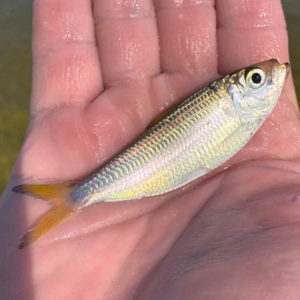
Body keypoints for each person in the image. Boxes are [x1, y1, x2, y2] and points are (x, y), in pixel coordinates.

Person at [1, 0, 300, 299]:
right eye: (256, 79)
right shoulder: (229, 107)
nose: (271, 76)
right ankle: (75, 195)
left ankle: (73, 196)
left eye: (256, 78)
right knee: (82, 193)